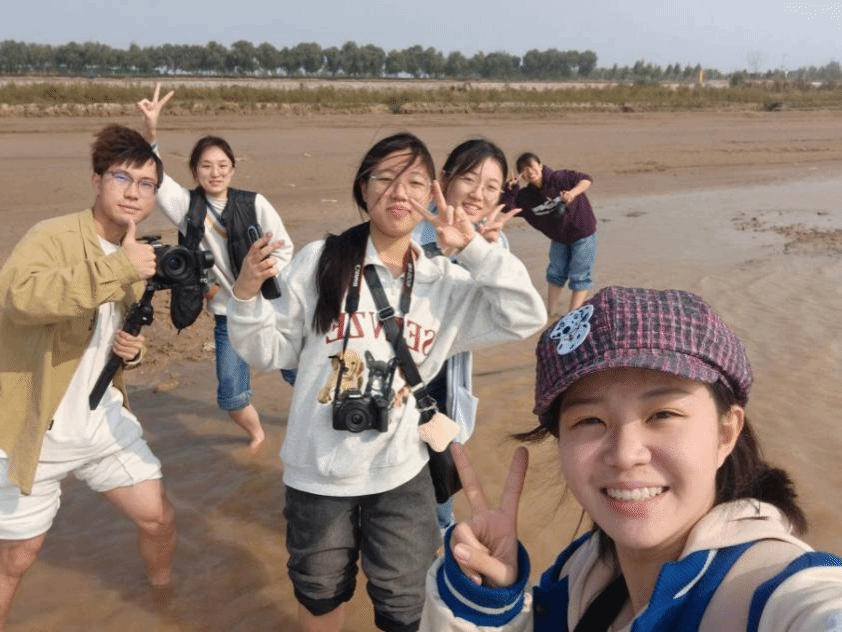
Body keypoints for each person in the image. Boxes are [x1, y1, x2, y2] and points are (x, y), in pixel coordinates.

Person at [227, 132, 546, 632]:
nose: (399, 192)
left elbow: (527, 316)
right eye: (385, 178)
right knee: (318, 592)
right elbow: (271, 351)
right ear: (363, 187)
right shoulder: (321, 260)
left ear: (432, 194)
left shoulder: (444, 282)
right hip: (316, 472)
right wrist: (245, 297)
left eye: (414, 182)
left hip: (402, 472)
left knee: (404, 602)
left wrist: (476, 252)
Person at [422, 286, 842, 631]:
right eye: (589, 420)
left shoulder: (772, 596)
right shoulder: (578, 576)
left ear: (726, 433)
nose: (624, 455)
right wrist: (488, 601)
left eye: (663, 415)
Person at [0, 124, 177, 628]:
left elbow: (111, 338)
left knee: (158, 518)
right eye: (122, 177)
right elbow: (19, 299)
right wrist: (120, 268)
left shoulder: (136, 251)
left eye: (146, 184)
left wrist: (133, 353)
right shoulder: (52, 236)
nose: (133, 192)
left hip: (100, 420)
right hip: (34, 429)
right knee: (17, 558)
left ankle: (164, 601)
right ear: (97, 180)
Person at [137, 84, 294, 451]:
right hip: (228, 316)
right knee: (232, 396)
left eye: (223, 165)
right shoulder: (187, 207)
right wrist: (151, 131)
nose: (215, 172)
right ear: (195, 171)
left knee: (301, 374)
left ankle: (314, 422)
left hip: (271, 309)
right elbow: (156, 178)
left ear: (233, 169)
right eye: (206, 166)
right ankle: (258, 435)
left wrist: (261, 275)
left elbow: (285, 249)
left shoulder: (255, 203)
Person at [411, 138, 521, 532]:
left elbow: (511, 315)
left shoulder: (493, 240)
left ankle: (441, 533)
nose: (478, 194)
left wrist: (485, 254)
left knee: (441, 464)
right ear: (444, 180)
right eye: (470, 179)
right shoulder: (409, 233)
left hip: (445, 375)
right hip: (400, 370)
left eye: (491, 186)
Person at [502, 152, 596, 316]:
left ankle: (572, 316)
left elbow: (586, 179)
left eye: (531, 166)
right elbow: (508, 209)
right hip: (559, 238)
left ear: (540, 165)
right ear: (521, 174)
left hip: (583, 233)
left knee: (580, 276)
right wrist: (511, 190)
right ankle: (550, 313)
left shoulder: (560, 178)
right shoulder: (526, 197)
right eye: (524, 170)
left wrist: (572, 193)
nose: (529, 172)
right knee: (555, 274)